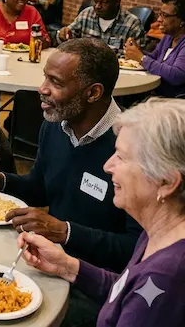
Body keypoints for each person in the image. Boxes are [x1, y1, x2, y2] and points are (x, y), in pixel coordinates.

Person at [0, 39, 141, 270]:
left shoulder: (132, 149)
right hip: (46, 257)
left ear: (93, 93)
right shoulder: (55, 125)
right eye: (45, 77)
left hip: (95, 278)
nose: (42, 89)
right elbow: (41, 188)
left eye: (55, 82)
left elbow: (136, 248)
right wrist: (1, 181)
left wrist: (65, 232)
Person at [16, 98, 185, 327]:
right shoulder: (158, 233)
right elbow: (125, 292)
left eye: (122, 157)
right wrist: (67, 266)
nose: (108, 166)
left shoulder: (166, 275)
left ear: (166, 182)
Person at [124, 0, 185, 97]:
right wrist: (138, 51)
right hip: (155, 94)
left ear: (182, 20)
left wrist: (142, 58)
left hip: (173, 102)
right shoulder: (169, 36)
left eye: (165, 16)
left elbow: (177, 75)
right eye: (160, 14)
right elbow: (155, 58)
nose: (159, 19)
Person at [58, 0, 145, 51]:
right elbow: (68, 38)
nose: (97, 6)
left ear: (117, 2)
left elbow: (138, 56)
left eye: (104, 2)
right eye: (95, 1)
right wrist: (63, 35)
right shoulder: (86, 14)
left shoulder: (132, 24)